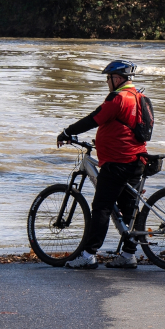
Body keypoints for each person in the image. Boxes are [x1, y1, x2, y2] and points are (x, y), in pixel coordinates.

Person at [57, 59, 148, 269]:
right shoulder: (139, 96)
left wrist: (68, 132)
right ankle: (128, 255)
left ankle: (88, 255)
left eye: (108, 78)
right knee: (128, 208)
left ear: (117, 78)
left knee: (101, 207)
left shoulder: (118, 98)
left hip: (118, 161)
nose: (107, 82)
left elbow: (94, 118)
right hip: (137, 159)